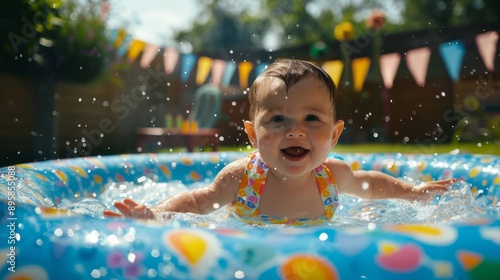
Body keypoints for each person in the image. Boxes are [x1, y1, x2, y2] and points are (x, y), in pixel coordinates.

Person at [103, 58, 455, 226]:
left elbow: (372, 185)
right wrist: (157, 214)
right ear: (254, 135)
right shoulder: (242, 178)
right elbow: (198, 200)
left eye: (312, 119)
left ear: (334, 135)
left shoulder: (333, 175)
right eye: (278, 120)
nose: (295, 132)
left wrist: (412, 192)